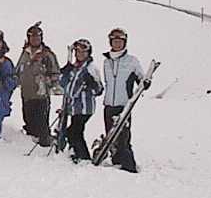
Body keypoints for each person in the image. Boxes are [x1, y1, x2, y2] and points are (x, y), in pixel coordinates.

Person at [102, 27, 150, 173]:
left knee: (123, 137)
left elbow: (141, 79)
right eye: (114, 41)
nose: (117, 44)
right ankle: (116, 161)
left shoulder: (132, 61)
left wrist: (146, 82)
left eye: (120, 41)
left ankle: (129, 166)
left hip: (124, 106)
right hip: (108, 104)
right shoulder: (106, 62)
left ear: (124, 43)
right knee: (110, 136)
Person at [14, 22, 60, 147]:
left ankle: (45, 147)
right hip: (27, 94)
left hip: (41, 95)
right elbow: (18, 70)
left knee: (41, 124)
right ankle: (30, 144)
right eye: (32, 37)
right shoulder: (25, 53)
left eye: (37, 37)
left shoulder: (47, 54)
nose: (35, 39)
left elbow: (56, 73)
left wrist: (48, 81)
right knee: (29, 122)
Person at [58, 38, 103, 162]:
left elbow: (99, 90)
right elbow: (63, 85)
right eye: (77, 52)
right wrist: (64, 73)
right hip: (74, 107)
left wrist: (91, 85)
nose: (80, 54)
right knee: (75, 131)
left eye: (83, 52)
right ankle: (77, 153)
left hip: (85, 107)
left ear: (88, 53)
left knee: (74, 132)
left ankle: (83, 157)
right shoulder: (74, 67)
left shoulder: (91, 68)